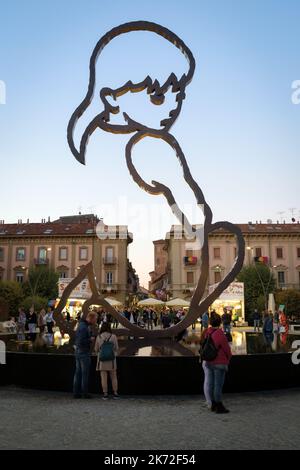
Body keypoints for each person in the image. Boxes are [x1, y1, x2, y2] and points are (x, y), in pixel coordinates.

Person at [203, 313, 232, 414]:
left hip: (209, 361)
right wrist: (229, 358)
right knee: (218, 385)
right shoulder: (220, 333)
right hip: (219, 362)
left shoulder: (208, 332)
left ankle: (213, 405)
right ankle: (219, 406)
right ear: (220, 322)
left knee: (210, 384)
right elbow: (227, 349)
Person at [73, 311, 98, 398]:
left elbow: (78, 339)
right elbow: (81, 341)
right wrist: (90, 339)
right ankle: (84, 393)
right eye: (95, 319)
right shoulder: (84, 327)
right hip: (83, 352)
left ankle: (76, 393)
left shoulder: (82, 325)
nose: (96, 321)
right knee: (84, 373)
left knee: (78, 373)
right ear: (91, 318)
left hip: (78, 352)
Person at [95, 322, 119, 400]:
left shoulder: (99, 337)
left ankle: (105, 394)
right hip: (111, 360)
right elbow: (116, 348)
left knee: (103, 377)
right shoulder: (113, 336)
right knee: (114, 377)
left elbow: (96, 349)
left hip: (102, 360)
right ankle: (115, 393)